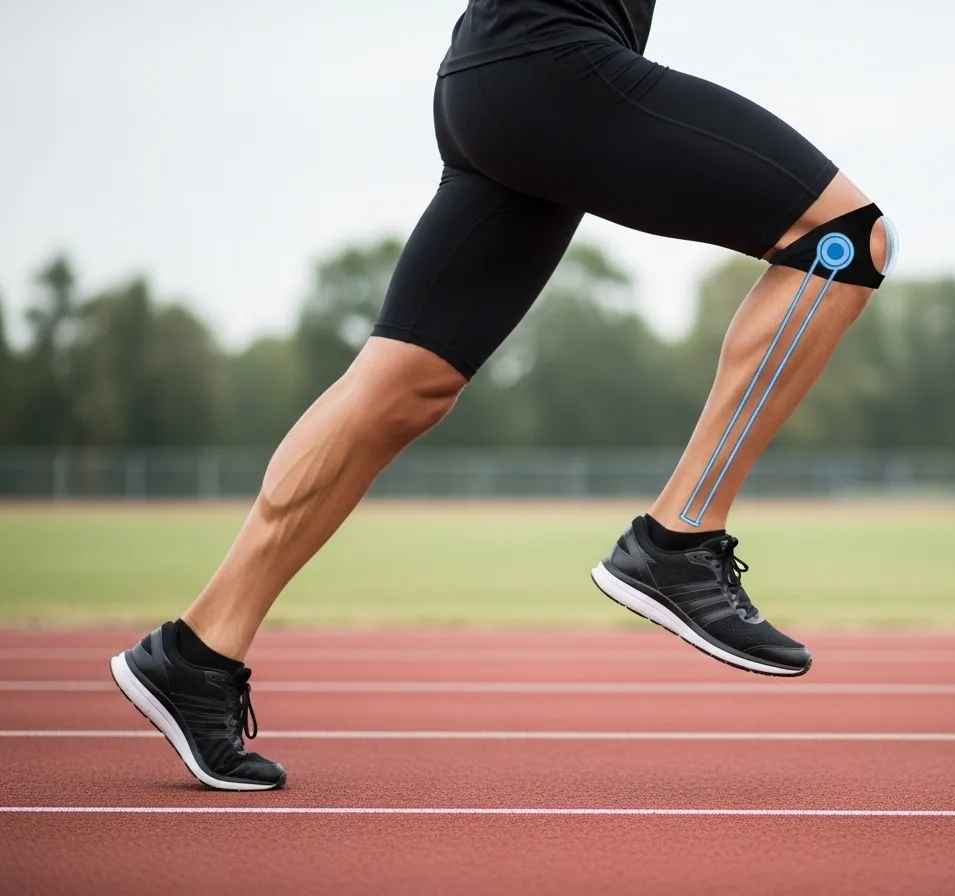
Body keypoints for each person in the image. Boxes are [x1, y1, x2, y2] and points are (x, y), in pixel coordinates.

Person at [108, 0, 897, 790]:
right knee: (841, 239)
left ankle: (196, 653)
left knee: (405, 385)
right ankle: (678, 539)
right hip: (553, 65)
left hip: (497, 81)